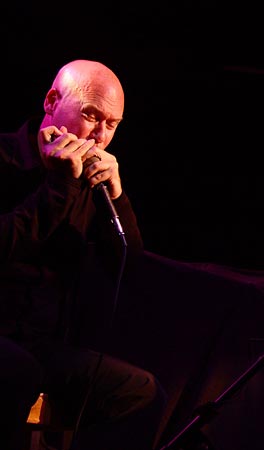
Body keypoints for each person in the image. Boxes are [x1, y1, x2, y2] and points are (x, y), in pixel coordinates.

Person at [0, 60, 167, 449]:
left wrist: (118, 195)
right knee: (18, 372)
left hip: (39, 344)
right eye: (92, 116)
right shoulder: (5, 159)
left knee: (141, 394)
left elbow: (126, 268)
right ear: (52, 100)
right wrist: (59, 187)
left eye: (112, 124)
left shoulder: (90, 179)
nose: (100, 136)